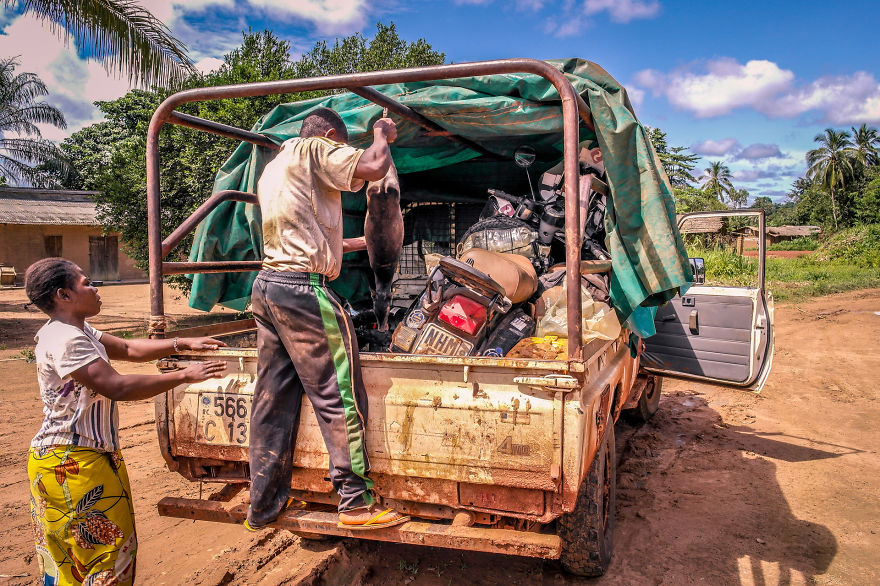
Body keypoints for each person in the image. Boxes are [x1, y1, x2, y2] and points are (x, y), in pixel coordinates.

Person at [246, 107, 409, 531]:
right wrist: (380, 133)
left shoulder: (275, 168)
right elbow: (373, 165)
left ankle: (262, 506)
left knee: (272, 401)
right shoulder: (315, 148)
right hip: (303, 291)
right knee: (341, 396)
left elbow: (312, 233)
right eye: (343, 145)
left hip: (268, 288)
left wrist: (367, 242)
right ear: (333, 135)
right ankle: (355, 503)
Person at [24, 257, 227, 585]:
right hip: (73, 464)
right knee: (108, 558)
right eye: (87, 283)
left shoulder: (77, 329)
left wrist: (181, 343)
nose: (95, 288)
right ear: (63, 295)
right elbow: (116, 386)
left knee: (75, 564)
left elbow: (130, 348)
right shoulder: (65, 339)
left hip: (76, 458)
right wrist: (185, 374)